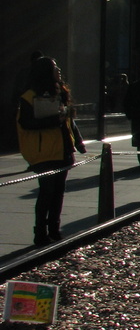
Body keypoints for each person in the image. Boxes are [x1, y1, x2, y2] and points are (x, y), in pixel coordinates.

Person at [16, 57, 86, 245]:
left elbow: (69, 121)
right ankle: (40, 232)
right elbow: (26, 123)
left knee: (58, 192)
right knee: (47, 192)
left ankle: (54, 229)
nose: (59, 71)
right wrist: (54, 120)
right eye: (56, 68)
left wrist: (78, 142)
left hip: (63, 149)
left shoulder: (60, 92)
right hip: (44, 152)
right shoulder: (29, 96)